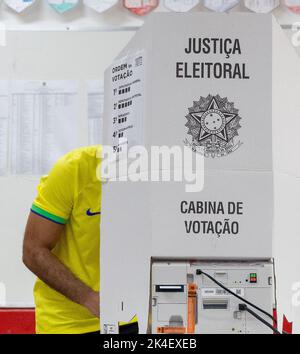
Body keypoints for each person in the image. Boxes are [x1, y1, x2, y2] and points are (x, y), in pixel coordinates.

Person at [23, 145, 101, 334]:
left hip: (135, 317)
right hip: (68, 324)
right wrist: (89, 298)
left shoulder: (158, 174)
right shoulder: (74, 168)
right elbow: (33, 250)